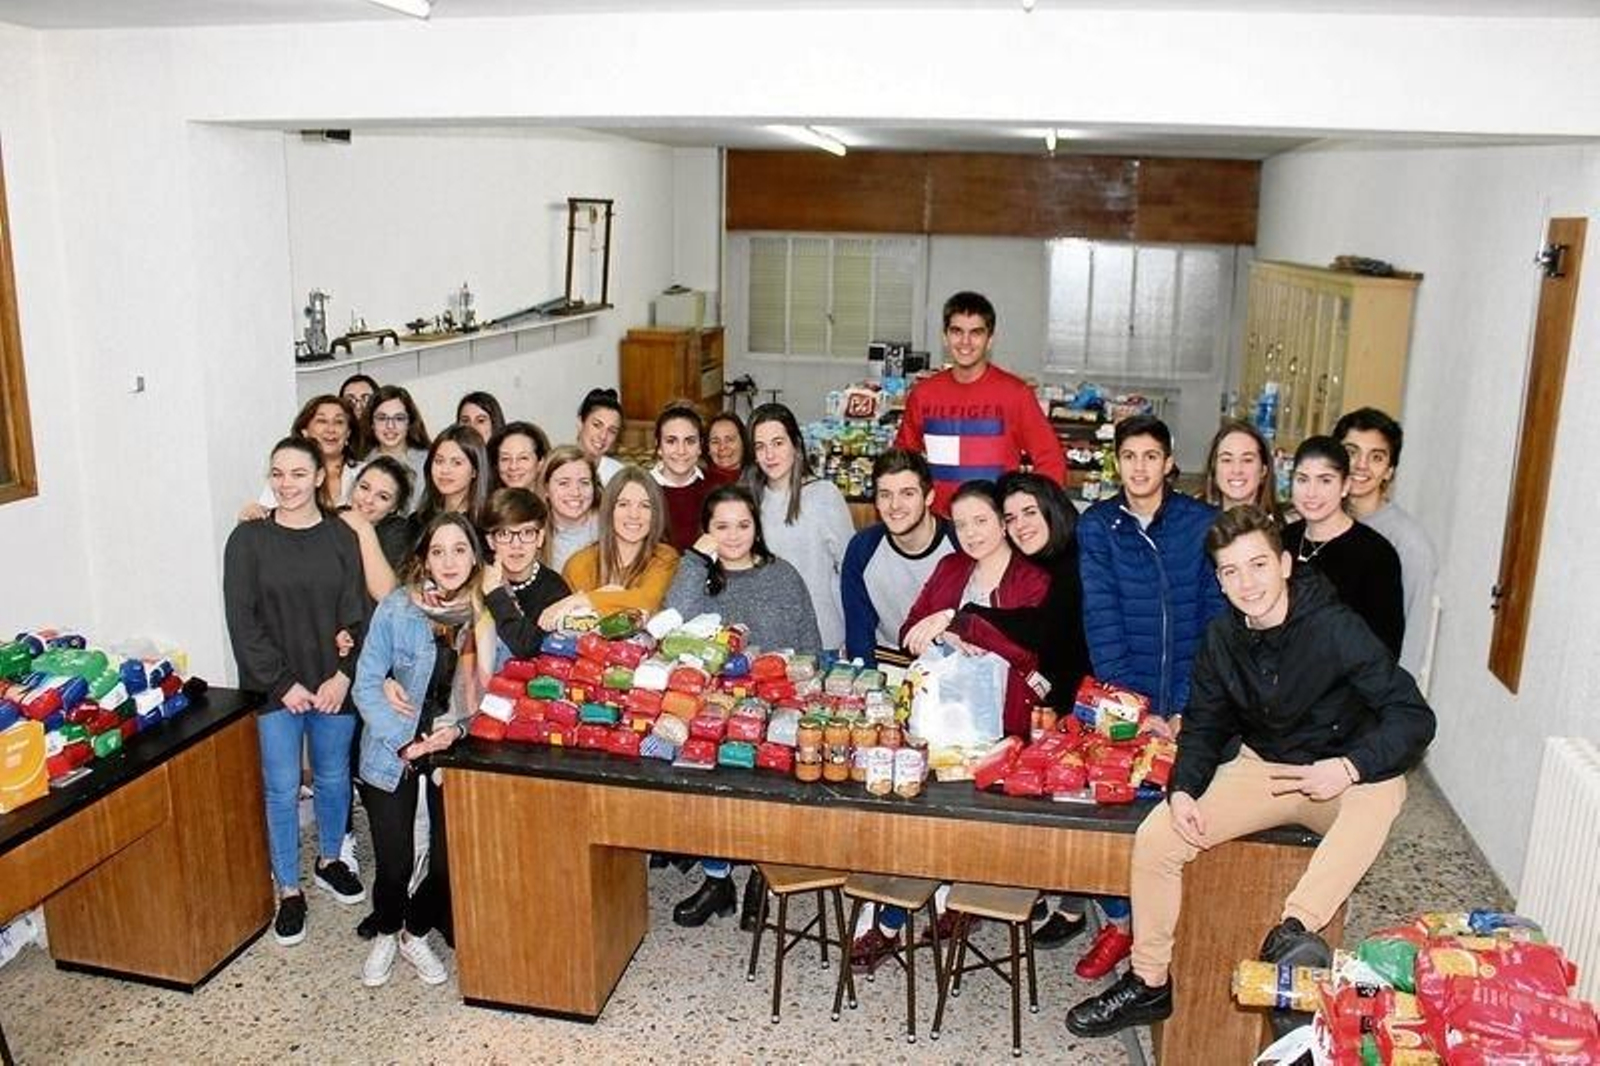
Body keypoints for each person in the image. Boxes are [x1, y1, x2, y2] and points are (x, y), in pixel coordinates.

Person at [1065, 505, 1435, 1039]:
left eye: (1258, 565)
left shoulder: (1336, 627)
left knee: (1386, 790)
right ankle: (1148, 983)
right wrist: (1184, 789)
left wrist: (1351, 767)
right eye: (1231, 571)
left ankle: (1294, 933)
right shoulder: (1221, 637)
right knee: (1158, 837)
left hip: (1335, 772)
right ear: (1219, 579)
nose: (1248, 582)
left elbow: (1413, 716)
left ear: (1284, 564)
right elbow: (1205, 724)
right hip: (1262, 768)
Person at [850, 479, 1050, 970]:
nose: (971, 533)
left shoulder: (1032, 578)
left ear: (1003, 522)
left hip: (1007, 726)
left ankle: (953, 899)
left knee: (974, 824)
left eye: (981, 521)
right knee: (925, 819)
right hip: (941, 720)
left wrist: (960, 622)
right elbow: (909, 630)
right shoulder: (951, 566)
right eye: (960, 525)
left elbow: (1032, 650)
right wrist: (939, 624)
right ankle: (893, 918)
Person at [1075, 414, 1225, 978]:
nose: (1139, 467)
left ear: (1168, 463)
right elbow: (1102, 619)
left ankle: (1163, 934)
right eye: (1129, 456)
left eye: (1149, 456)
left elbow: (1215, 622)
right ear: (1118, 463)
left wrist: (1185, 708)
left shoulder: (1200, 524)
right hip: (1126, 698)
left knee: (1176, 816)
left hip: (1190, 701)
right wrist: (1137, 712)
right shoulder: (1099, 526)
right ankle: (1119, 924)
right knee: (1116, 812)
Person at [223, 437, 368, 947]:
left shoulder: (339, 537)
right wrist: (282, 685)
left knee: (333, 777)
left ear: (318, 478)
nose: (287, 485)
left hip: (332, 686)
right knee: (282, 788)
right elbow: (242, 622)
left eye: (298, 474)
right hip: (274, 689)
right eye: (278, 474)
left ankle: (330, 859)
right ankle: (287, 888)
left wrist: (343, 675)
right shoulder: (247, 541)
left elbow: (357, 612)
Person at [664, 485, 822, 929]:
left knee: (763, 791)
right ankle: (718, 880)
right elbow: (671, 620)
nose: (733, 536)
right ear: (706, 531)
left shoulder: (783, 575)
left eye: (743, 525)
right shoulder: (697, 573)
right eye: (721, 526)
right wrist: (696, 560)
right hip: (707, 708)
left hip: (775, 707)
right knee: (707, 791)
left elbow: (810, 645)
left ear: (757, 527)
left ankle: (759, 876)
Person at [353, 513, 500, 988]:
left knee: (445, 861)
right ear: (424, 559)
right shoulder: (397, 608)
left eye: (460, 549)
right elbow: (367, 683)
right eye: (438, 551)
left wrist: (456, 731)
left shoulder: (484, 615)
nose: (449, 561)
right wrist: (403, 743)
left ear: (475, 556)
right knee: (394, 862)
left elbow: (490, 695)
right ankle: (387, 928)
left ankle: (414, 931)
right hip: (390, 747)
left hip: (450, 750)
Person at [966, 470, 1095, 951]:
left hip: (1089, 697)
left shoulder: (1075, 559)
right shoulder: (1037, 564)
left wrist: (968, 619)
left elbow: (1042, 628)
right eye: (1010, 517)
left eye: (1029, 512)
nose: (1020, 525)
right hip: (1056, 695)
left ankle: (1081, 908)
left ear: (1053, 509)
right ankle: (1047, 888)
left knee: (1076, 805)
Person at [893, 291, 1067, 515]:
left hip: (997, 528)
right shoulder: (923, 393)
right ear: (945, 336)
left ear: (990, 339)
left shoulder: (1016, 394)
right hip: (938, 525)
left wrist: (1030, 514)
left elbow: (1051, 459)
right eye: (957, 332)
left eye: (976, 333)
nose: (965, 342)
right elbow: (901, 462)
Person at [1334, 408, 1438, 678]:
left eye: (1376, 457)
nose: (1361, 465)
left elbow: (1413, 637)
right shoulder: (1315, 523)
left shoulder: (1408, 543)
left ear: (1389, 471)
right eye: (1351, 451)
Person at [1281, 436, 1406, 660]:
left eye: (1325, 480)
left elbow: (1383, 650)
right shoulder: (1284, 539)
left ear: (1345, 486)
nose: (1311, 492)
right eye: (1302, 479)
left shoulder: (1376, 555)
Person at [744, 403, 855, 654]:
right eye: (760, 447)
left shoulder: (824, 495)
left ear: (796, 444)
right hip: (766, 642)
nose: (769, 455)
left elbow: (851, 569)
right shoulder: (749, 500)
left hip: (821, 638)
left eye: (778, 443)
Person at [840, 448, 956, 667]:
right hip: (886, 665)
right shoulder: (862, 549)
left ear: (929, 496)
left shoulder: (959, 543)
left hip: (951, 669)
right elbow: (858, 636)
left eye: (907, 493)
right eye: (885, 495)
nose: (895, 505)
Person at [542, 465, 679, 627]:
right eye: (623, 504)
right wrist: (612, 599)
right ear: (609, 510)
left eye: (645, 506)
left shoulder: (665, 557)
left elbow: (647, 599)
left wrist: (586, 599)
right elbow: (572, 623)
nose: (634, 515)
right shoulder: (580, 564)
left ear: (656, 513)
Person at [480, 488, 570, 659]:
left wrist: (496, 595)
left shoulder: (554, 588)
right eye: (504, 533)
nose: (516, 544)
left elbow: (530, 649)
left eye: (527, 533)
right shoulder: (478, 579)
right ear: (491, 541)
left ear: (540, 538)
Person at [242, 395, 360, 519]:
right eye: (322, 421)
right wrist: (251, 514)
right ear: (305, 432)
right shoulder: (284, 473)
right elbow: (265, 515)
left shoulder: (364, 472)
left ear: (348, 433)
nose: (331, 429)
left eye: (339, 422)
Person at [340, 455, 415, 602]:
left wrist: (364, 528)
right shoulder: (334, 517)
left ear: (394, 507)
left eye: (383, 497)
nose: (368, 500)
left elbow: (385, 594)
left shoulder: (398, 531)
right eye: (364, 487)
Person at [650, 403, 712, 552]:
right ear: (658, 446)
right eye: (671, 441)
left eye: (690, 441)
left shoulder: (717, 486)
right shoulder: (640, 489)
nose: (681, 450)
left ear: (700, 447)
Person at [363, 384, 430, 511]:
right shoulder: (361, 466)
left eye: (399, 418)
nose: (390, 426)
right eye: (382, 418)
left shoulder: (430, 462)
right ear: (372, 423)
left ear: (409, 422)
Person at [412, 425, 491, 533]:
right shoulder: (417, 521)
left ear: (474, 471)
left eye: (456, 463)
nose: (445, 470)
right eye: (439, 461)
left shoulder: (487, 525)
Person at [1201, 419, 1280, 521]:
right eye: (1227, 460)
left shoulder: (1282, 531)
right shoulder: (1194, 524)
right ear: (1214, 469)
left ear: (1263, 470)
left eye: (1247, 460)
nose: (1237, 470)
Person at [538, 445, 601, 573]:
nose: (575, 492)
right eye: (564, 483)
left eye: (584, 482)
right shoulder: (532, 534)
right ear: (546, 489)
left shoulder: (611, 527)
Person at [576, 387, 625, 486]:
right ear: (580, 423)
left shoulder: (619, 474)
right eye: (597, 425)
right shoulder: (557, 466)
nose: (603, 436)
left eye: (612, 431)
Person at [490, 420, 551, 493]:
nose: (513, 466)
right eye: (505, 459)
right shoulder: (489, 503)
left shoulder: (558, 501)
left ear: (540, 462)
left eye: (523, 458)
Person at [705, 411, 751, 489]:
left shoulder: (760, 481)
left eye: (729, 440)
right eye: (715, 441)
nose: (722, 447)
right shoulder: (697, 483)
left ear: (743, 442)